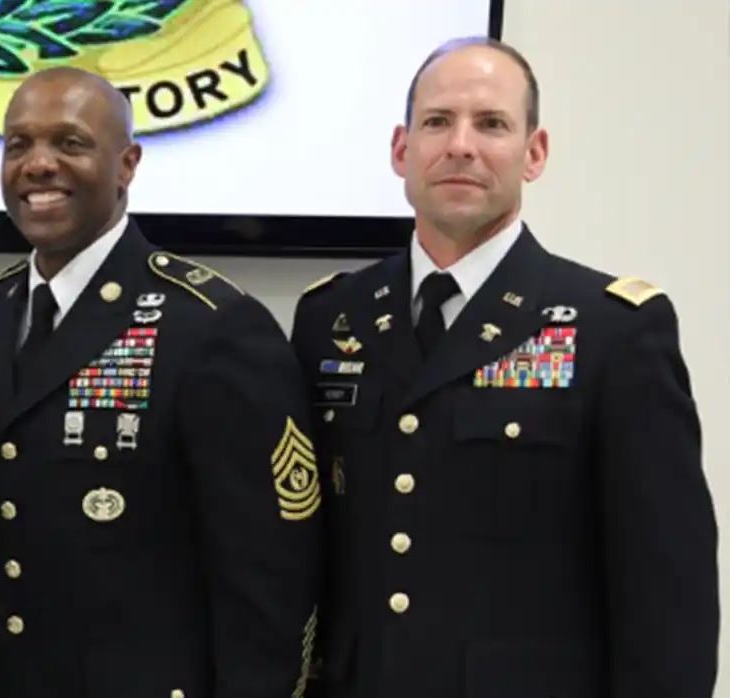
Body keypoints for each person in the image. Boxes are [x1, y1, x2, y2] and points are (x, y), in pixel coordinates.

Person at [289, 37, 717, 697]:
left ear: (533, 152)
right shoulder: (328, 318)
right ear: (401, 150)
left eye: (490, 124)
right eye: (437, 122)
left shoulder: (611, 329)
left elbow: (667, 590)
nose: (460, 144)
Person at [0, 66, 323, 698]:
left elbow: (271, 576)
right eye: (18, 144)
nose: (38, 164)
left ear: (127, 164)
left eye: (70, 144)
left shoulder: (210, 325)